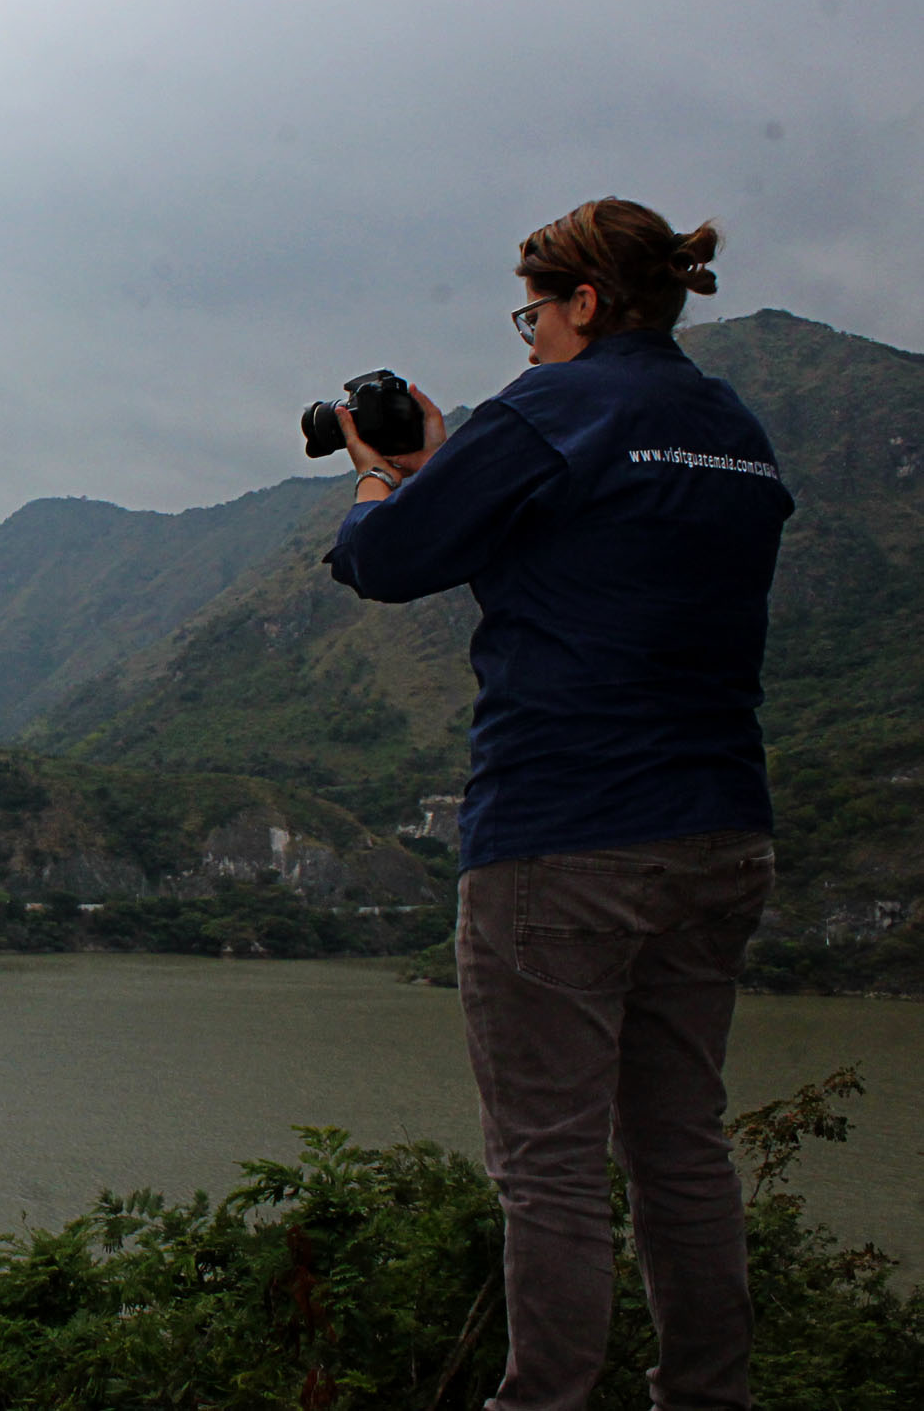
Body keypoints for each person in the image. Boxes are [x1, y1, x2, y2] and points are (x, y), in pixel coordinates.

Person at [323, 197, 792, 1411]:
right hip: (721, 828)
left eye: (530, 313)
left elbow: (382, 561)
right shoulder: (732, 427)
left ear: (583, 302)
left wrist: (379, 477)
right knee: (681, 1151)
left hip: (565, 837)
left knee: (550, 1170)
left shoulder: (551, 409)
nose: (526, 337)